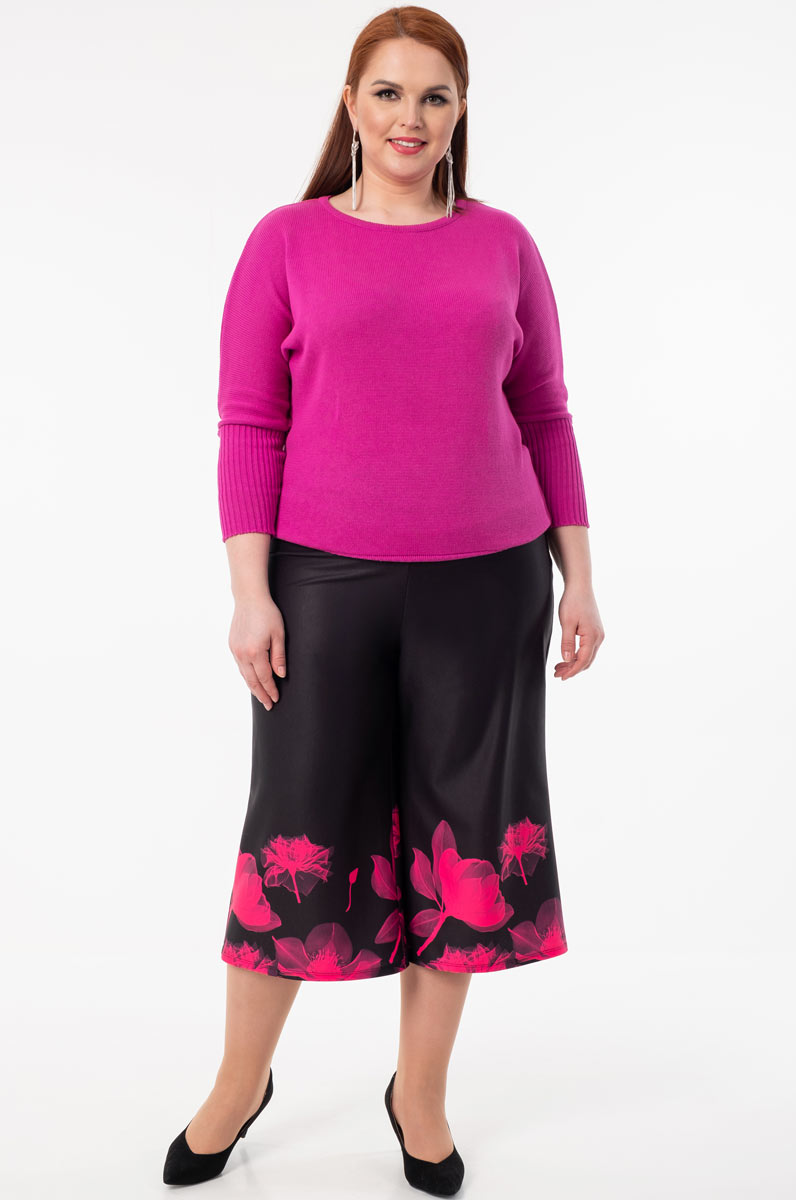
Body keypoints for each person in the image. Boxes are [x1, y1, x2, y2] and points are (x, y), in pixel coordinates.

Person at [163, 6, 604, 1195]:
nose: (411, 117)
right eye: (389, 92)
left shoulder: (503, 244)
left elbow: (544, 413)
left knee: (460, 846)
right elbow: (249, 424)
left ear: (460, 113)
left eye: (434, 96)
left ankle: (420, 1096)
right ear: (351, 104)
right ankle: (236, 1084)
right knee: (293, 835)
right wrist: (249, 593)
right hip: (321, 584)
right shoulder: (286, 241)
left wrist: (577, 574)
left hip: (490, 582)